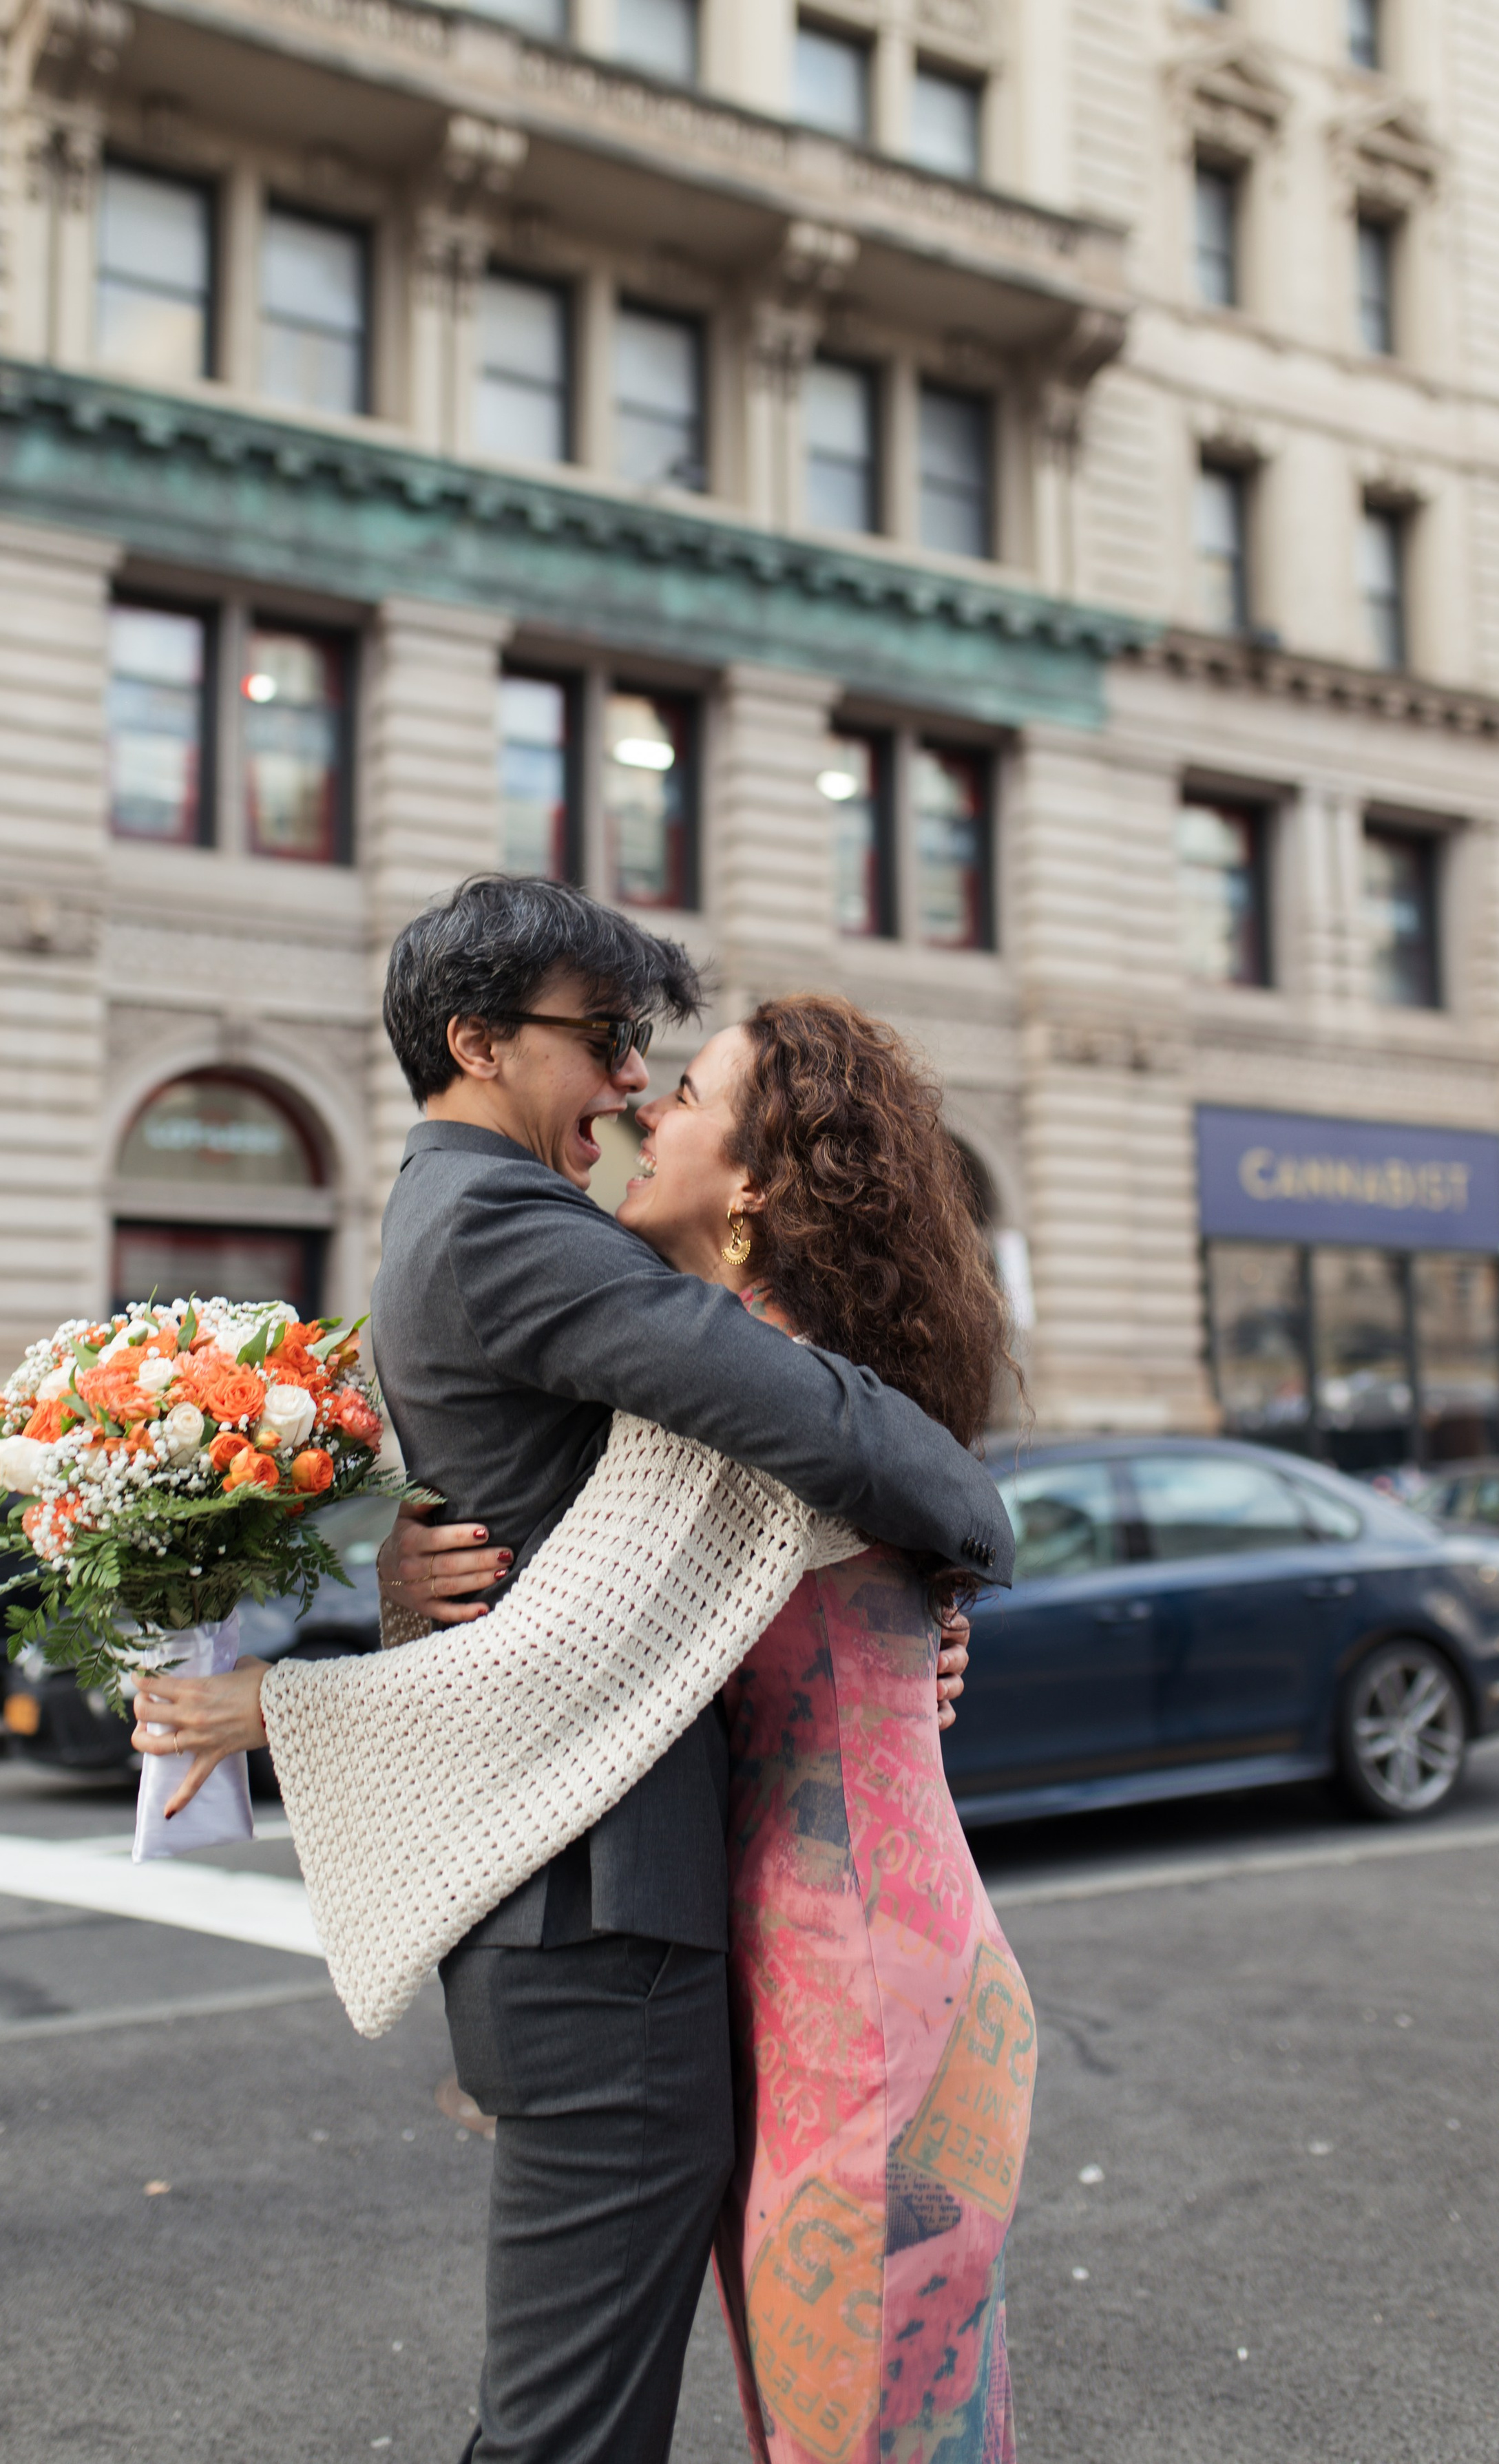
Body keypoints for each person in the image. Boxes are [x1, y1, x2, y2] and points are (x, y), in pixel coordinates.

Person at [131, 876, 1014, 2464]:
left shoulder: (459, 1217)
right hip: (602, 1931)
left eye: (657, 1063)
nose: (625, 1080)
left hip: (703, 1929)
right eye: (607, 1041)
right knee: (581, 2428)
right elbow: (768, 1459)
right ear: (476, 1040)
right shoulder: (505, 1224)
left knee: (744, 2400)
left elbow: (627, 1577)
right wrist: (970, 1511)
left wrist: (910, 1614)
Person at [391, 994, 1034, 2464]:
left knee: (863, 2437)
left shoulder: (763, 1403)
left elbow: (554, 1652)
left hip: (861, 1989)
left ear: (752, 1182)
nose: (638, 1111)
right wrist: (395, 1562)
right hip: (807, 1977)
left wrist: (241, 1706)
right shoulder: (729, 1382)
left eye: (681, 1093)